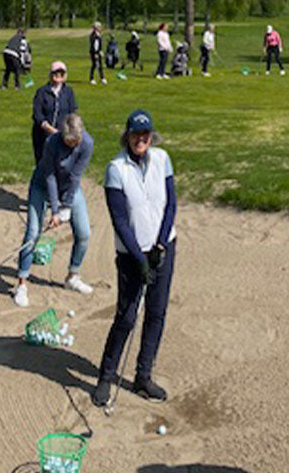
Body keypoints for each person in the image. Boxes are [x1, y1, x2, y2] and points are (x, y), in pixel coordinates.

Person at [92, 109, 177, 407]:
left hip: (162, 248)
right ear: (127, 136)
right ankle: (106, 375)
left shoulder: (163, 159)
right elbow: (119, 220)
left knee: (156, 311)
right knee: (127, 316)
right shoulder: (116, 168)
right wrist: (140, 260)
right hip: (131, 254)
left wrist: (161, 246)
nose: (141, 139)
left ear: (151, 135)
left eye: (145, 134)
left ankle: (144, 376)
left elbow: (170, 206)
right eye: (135, 134)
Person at [14, 113, 95, 308]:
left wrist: (66, 206)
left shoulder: (87, 143)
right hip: (42, 185)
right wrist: (55, 211)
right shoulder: (52, 142)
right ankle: (22, 284)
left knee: (84, 233)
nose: (72, 146)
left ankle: (72, 277)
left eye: (75, 141)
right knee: (33, 233)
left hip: (69, 187)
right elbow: (49, 176)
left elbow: (76, 176)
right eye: (69, 142)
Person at [31, 61, 78, 163]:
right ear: (50, 74)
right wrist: (49, 128)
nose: (58, 76)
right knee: (43, 164)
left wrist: (70, 130)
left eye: (61, 73)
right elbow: (37, 114)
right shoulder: (42, 92)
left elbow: (73, 111)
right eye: (55, 73)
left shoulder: (68, 92)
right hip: (42, 135)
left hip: (63, 135)